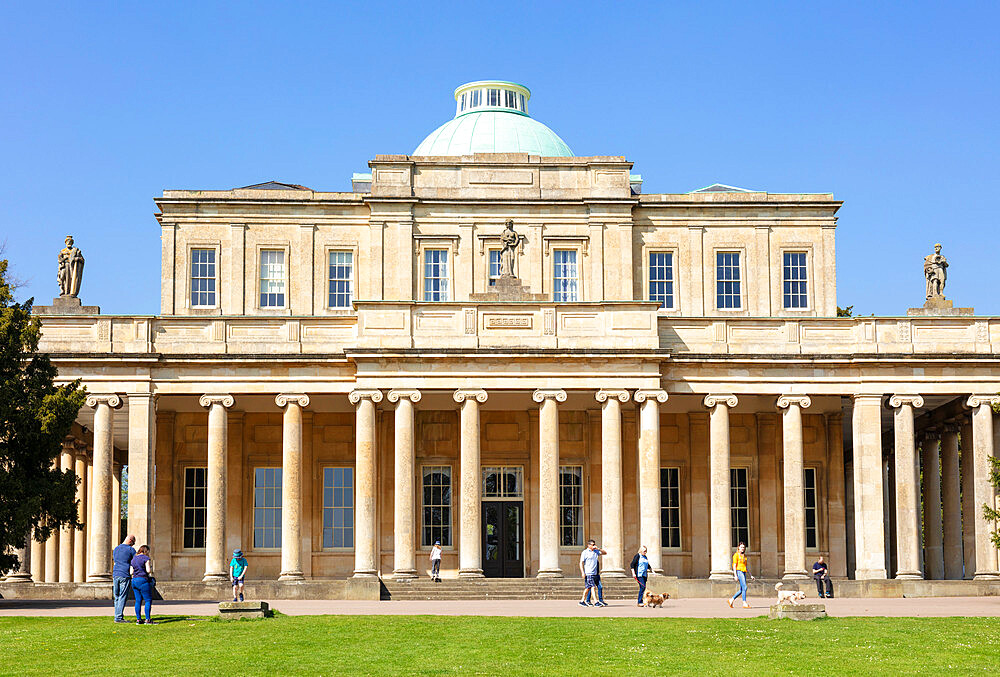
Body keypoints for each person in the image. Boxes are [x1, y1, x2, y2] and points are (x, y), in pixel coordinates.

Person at [111, 535, 136, 623]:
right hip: (124, 574)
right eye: (133, 542)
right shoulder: (130, 550)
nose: (133, 544)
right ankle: (118, 617)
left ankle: (117, 616)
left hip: (116, 574)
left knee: (117, 596)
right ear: (130, 541)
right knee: (122, 596)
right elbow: (135, 561)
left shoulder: (116, 549)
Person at [130, 545, 155, 625]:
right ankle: (147, 619)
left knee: (138, 600)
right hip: (143, 580)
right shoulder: (145, 558)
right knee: (148, 600)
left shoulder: (133, 559)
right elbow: (148, 570)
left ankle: (138, 619)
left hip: (134, 581)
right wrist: (151, 571)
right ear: (146, 551)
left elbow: (131, 572)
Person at [578, 539, 608, 607]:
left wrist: (598, 548)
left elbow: (605, 553)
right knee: (592, 587)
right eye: (592, 545)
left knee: (588, 588)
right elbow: (581, 563)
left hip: (594, 573)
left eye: (594, 544)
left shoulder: (596, 551)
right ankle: (596, 601)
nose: (594, 546)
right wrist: (582, 572)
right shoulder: (585, 552)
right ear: (589, 545)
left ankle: (582, 601)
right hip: (588, 573)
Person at [727, 542, 755, 609]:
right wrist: (735, 575)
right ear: (738, 548)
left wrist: (751, 575)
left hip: (744, 572)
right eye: (741, 547)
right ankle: (744, 603)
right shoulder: (736, 555)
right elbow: (734, 565)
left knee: (742, 589)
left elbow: (746, 566)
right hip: (739, 572)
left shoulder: (744, 556)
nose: (742, 549)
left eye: (743, 547)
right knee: (745, 587)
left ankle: (731, 600)